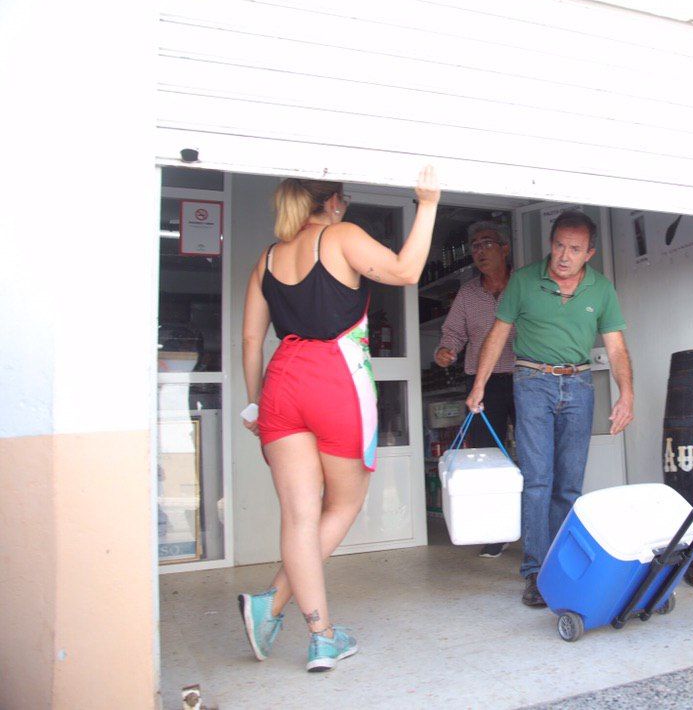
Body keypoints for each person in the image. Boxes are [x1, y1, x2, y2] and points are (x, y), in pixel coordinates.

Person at [239, 167, 440, 672]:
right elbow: (406, 271)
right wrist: (428, 204)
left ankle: (316, 631)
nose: (345, 206)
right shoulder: (341, 236)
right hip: (334, 377)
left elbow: (250, 339)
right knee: (344, 504)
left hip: (281, 380)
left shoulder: (267, 258)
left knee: (299, 517)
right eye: (343, 198)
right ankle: (281, 611)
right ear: (331, 202)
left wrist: (254, 403)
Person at [468, 211, 635, 607]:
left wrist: (626, 394)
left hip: (579, 384)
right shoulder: (524, 281)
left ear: (589, 253)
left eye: (574, 249)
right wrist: (479, 384)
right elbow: (498, 334)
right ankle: (535, 572)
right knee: (538, 480)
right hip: (532, 382)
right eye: (559, 245)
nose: (563, 256)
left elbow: (616, 348)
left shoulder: (601, 289)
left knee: (569, 484)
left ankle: (560, 567)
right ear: (551, 243)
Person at [434, 220, 519, 557]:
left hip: (525, 377)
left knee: (534, 451)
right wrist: (446, 351)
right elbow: (453, 332)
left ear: (505, 249)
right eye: (475, 246)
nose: (480, 251)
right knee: (488, 456)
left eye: (487, 244)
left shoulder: (523, 284)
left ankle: (534, 526)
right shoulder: (468, 293)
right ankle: (496, 532)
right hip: (483, 384)